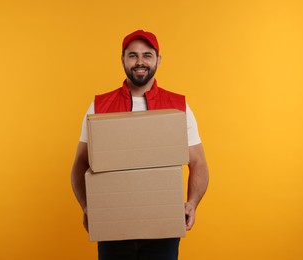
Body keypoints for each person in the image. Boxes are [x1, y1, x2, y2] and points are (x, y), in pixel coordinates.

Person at [71, 29, 209, 260]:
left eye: (147, 55)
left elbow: (199, 163)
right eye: (133, 55)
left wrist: (192, 203)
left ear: (158, 60)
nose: (140, 62)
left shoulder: (178, 107)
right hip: (113, 226)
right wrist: (87, 206)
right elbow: (79, 164)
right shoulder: (99, 106)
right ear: (123, 59)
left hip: (163, 227)